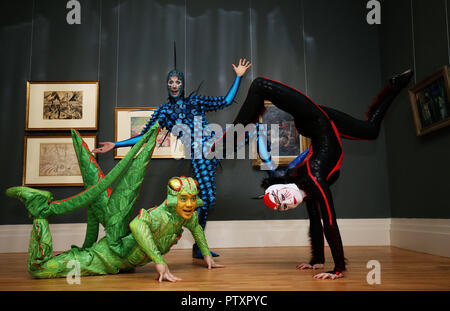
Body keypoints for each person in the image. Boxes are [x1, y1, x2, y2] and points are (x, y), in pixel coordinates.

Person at [217, 69, 414, 280]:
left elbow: (330, 220)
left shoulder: (313, 176)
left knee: (260, 85)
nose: (286, 203)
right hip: (324, 124)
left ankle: (227, 143)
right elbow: (315, 219)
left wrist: (338, 269)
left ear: (285, 187)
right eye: (283, 206)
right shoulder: (308, 190)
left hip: (313, 118)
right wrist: (317, 260)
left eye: (281, 197)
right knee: (371, 131)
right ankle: (395, 86)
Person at [6, 125, 223, 282]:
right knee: (40, 269)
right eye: (184, 199)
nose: (189, 205)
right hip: (108, 257)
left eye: (193, 200)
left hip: (124, 264)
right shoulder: (160, 215)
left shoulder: (188, 214)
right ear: (173, 199)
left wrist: (205, 254)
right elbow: (137, 225)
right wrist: (159, 260)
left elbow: (196, 228)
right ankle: (39, 212)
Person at [92, 57, 252, 259]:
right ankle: (196, 242)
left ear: (183, 84)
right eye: (170, 82)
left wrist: (238, 77)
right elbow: (145, 136)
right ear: (167, 86)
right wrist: (116, 144)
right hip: (199, 155)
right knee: (209, 199)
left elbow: (225, 101)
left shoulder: (196, 101)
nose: (174, 85)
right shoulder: (165, 111)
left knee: (248, 134)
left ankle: (196, 242)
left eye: (177, 82)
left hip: (214, 146)